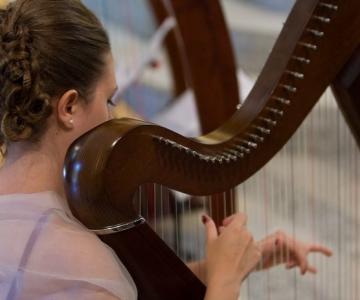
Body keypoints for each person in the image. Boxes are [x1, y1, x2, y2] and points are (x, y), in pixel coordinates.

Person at [0, 1, 331, 299]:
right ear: (69, 107)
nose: (114, 116)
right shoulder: (82, 263)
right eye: (109, 100)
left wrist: (235, 264)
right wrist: (226, 283)